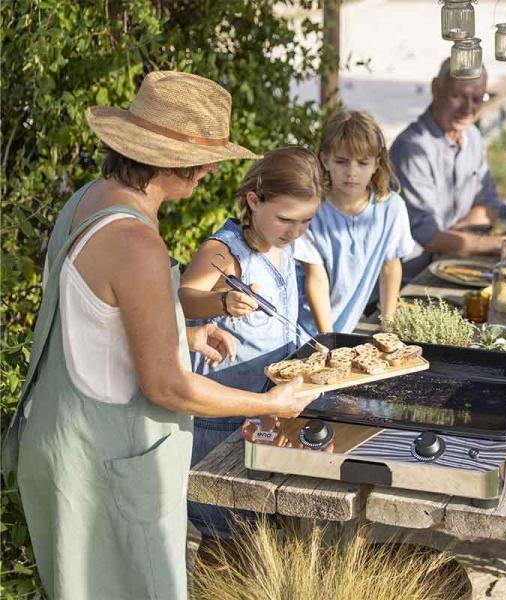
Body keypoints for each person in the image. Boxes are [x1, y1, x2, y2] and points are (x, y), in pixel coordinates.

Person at [1, 72, 318, 600]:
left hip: (62, 447)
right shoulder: (135, 241)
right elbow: (167, 388)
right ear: (169, 159)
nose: (214, 169)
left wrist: (182, 335)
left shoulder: (88, 200)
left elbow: (92, 318)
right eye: (207, 158)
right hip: (106, 464)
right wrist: (273, 403)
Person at [178, 147, 322, 542]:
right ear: (254, 201)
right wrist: (221, 301)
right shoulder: (224, 251)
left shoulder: (282, 241)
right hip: (219, 419)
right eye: (286, 220)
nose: (294, 232)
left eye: (306, 221)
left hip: (263, 413)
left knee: (255, 532)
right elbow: (182, 296)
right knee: (221, 538)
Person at [390, 58, 506, 280]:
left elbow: (490, 206)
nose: (468, 109)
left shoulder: (471, 136)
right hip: (412, 280)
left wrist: (454, 234)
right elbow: (431, 238)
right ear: (436, 88)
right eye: (458, 96)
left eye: (477, 98)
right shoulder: (412, 148)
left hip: (456, 264)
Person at [295, 111, 415, 334]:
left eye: (362, 163)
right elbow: (315, 279)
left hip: (346, 327)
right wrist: (328, 338)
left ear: (377, 163)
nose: (352, 172)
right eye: (341, 162)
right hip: (304, 328)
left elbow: (390, 266)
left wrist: (387, 325)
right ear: (325, 160)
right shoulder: (311, 210)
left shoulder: (391, 208)